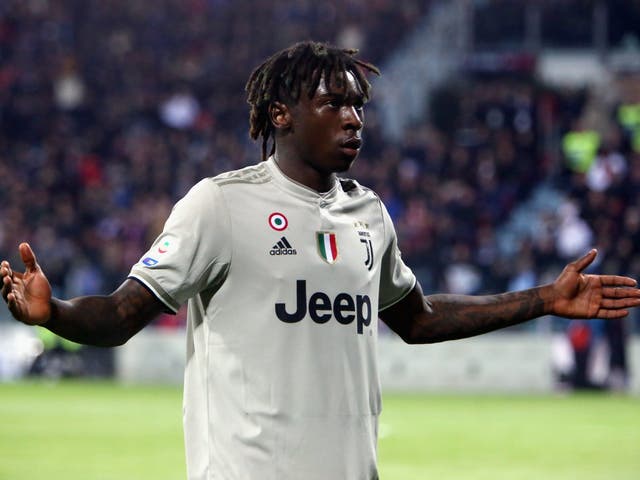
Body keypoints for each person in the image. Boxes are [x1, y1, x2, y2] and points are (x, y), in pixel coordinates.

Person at [2, 41, 640, 480]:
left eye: (358, 104)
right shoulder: (220, 205)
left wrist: (543, 300)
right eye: (333, 103)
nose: (354, 118)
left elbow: (418, 319)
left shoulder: (370, 215)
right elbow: (120, 313)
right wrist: (52, 312)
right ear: (280, 114)